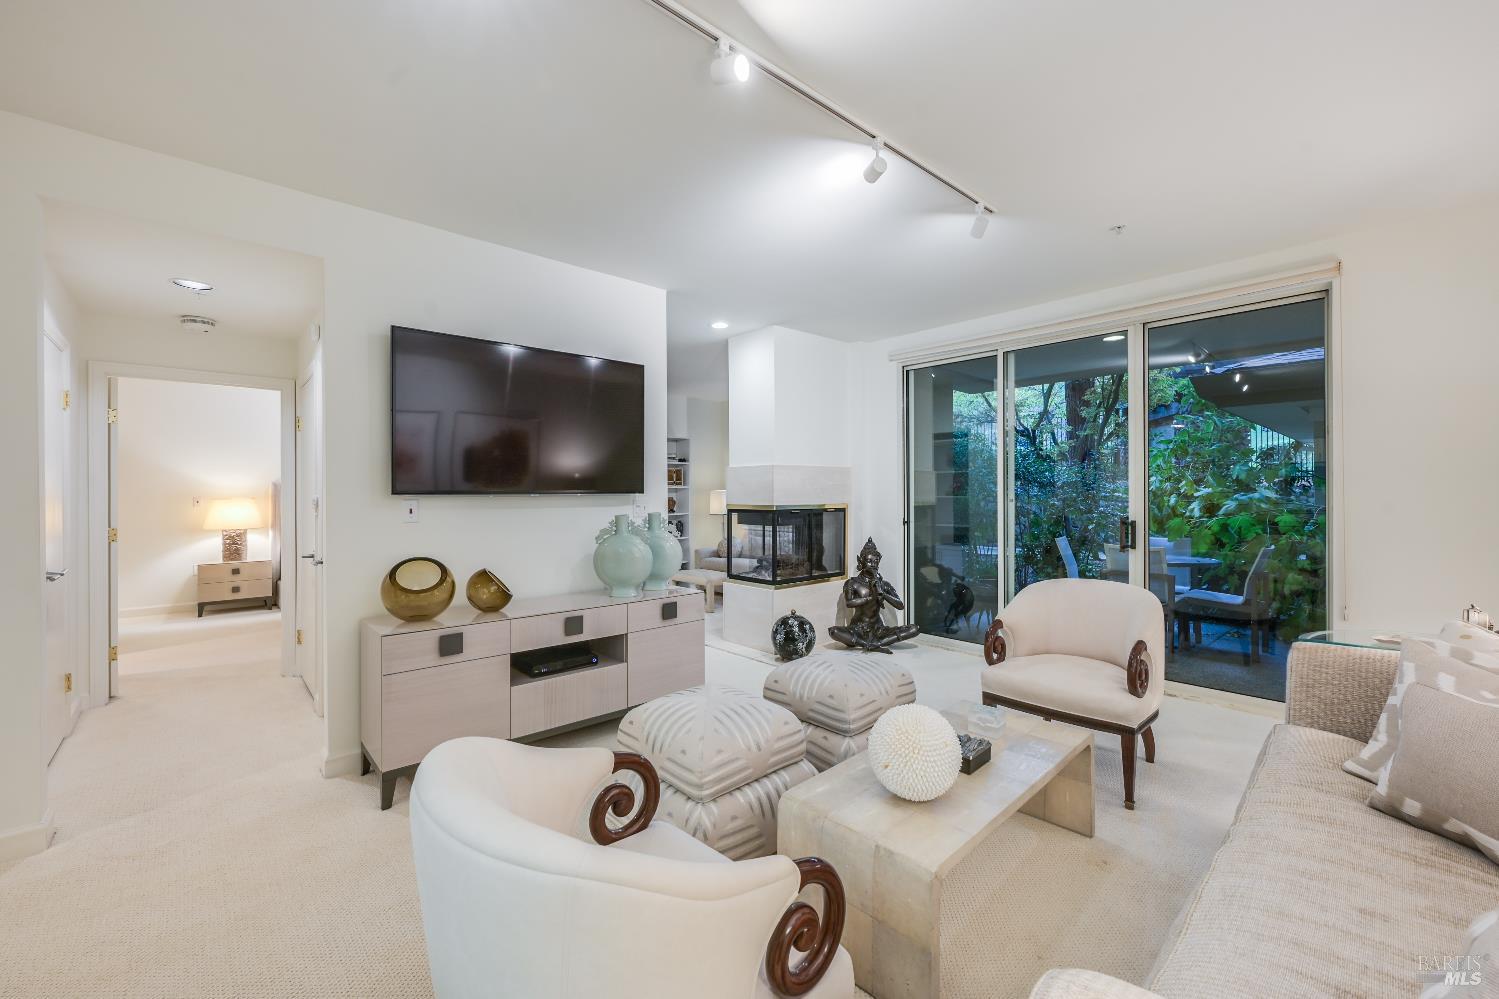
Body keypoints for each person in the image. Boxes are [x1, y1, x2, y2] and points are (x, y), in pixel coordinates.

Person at [829, 537, 921, 654]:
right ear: (861, 561)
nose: (873, 564)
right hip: (858, 629)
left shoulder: (883, 584)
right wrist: (870, 598)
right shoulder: (853, 583)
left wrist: (883, 594)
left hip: (878, 629)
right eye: (869, 561)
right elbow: (849, 603)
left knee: (914, 629)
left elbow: (900, 605)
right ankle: (868, 643)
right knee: (834, 631)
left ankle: (876, 643)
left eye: (876, 561)